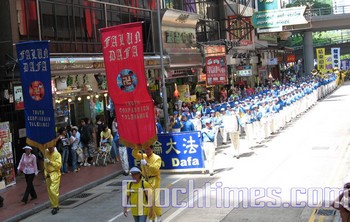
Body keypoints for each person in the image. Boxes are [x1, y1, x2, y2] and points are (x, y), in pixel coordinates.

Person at [132, 145, 162, 221]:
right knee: (147, 199)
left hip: (154, 180)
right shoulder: (143, 156)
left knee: (154, 199)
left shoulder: (157, 158)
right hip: (145, 180)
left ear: (152, 149)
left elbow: (155, 168)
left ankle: (159, 215)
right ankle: (152, 216)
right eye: (145, 149)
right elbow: (134, 154)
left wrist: (146, 164)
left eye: (148, 149)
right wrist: (137, 148)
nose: (147, 151)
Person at [44, 146, 62, 215]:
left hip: (55, 174)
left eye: (50, 147)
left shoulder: (57, 154)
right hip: (47, 174)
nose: (49, 148)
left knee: (53, 190)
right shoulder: (46, 152)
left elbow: (59, 165)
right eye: (48, 147)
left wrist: (50, 162)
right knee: (49, 191)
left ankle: (56, 205)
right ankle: (54, 205)